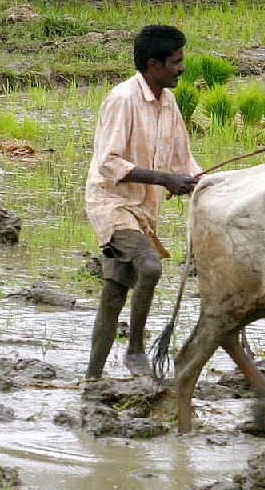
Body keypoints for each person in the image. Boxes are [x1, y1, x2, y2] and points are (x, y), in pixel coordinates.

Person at [85, 25, 202, 380]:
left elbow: (184, 161)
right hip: (112, 204)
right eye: (176, 62)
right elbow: (109, 162)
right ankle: (136, 350)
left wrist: (203, 184)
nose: (182, 68)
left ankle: (92, 379)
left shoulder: (169, 105)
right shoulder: (122, 100)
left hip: (144, 211)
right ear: (154, 64)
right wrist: (165, 179)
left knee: (115, 289)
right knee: (149, 267)